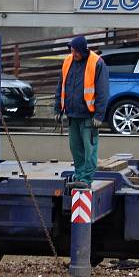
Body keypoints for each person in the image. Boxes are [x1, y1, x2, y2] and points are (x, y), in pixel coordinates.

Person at [54, 35, 109, 187]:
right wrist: (58, 109)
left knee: (89, 148)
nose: (73, 54)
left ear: (83, 50)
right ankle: (79, 175)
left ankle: (86, 179)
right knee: (75, 148)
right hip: (72, 114)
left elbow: (103, 92)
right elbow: (61, 86)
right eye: (72, 51)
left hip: (88, 116)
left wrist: (99, 115)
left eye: (76, 51)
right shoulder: (67, 62)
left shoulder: (97, 63)